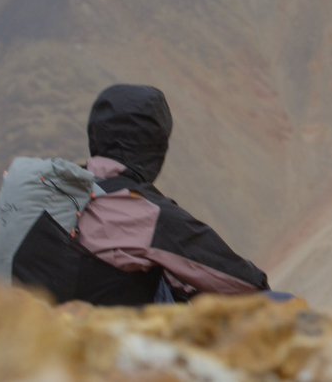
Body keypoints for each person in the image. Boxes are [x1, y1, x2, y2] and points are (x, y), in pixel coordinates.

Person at [72, 83, 269, 303]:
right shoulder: (144, 211)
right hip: (121, 331)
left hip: (48, 328)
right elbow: (244, 283)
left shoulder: (60, 186)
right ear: (153, 144)